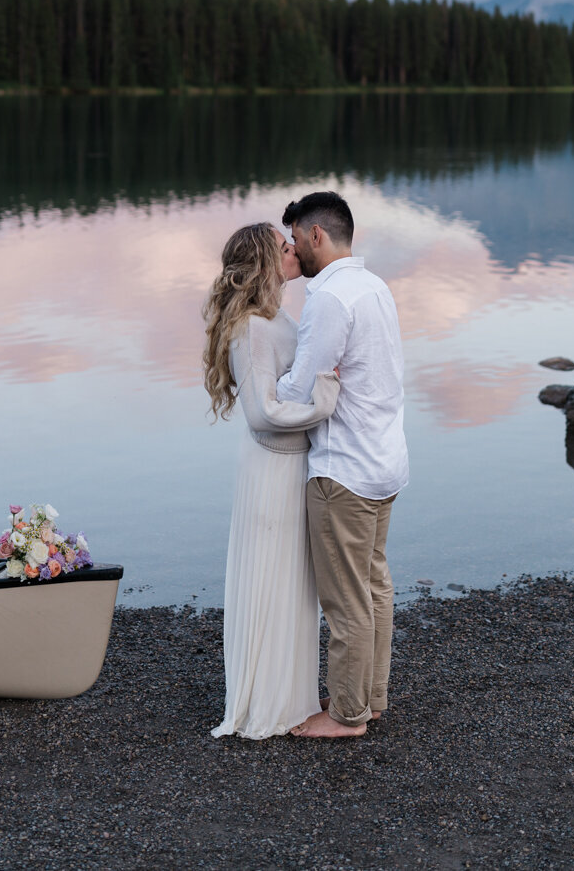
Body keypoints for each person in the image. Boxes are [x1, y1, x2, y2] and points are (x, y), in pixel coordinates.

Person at [276, 190, 408, 740]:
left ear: (316, 236)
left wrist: (265, 383)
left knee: (346, 601)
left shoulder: (328, 300)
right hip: (384, 462)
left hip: (344, 470)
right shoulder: (374, 286)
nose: (292, 250)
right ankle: (369, 698)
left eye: (293, 239)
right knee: (373, 587)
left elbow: (299, 388)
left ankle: (347, 715)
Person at [204, 221, 340, 739]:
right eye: (285, 248)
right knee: (274, 581)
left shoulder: (275, 314)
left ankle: (293, 694)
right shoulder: (253, 328)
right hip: (272, 468)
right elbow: (262, 414)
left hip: (290, 465)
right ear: (265, 261)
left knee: (292, 584)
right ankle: (268, 704)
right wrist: (322, 404)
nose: (295, 251)